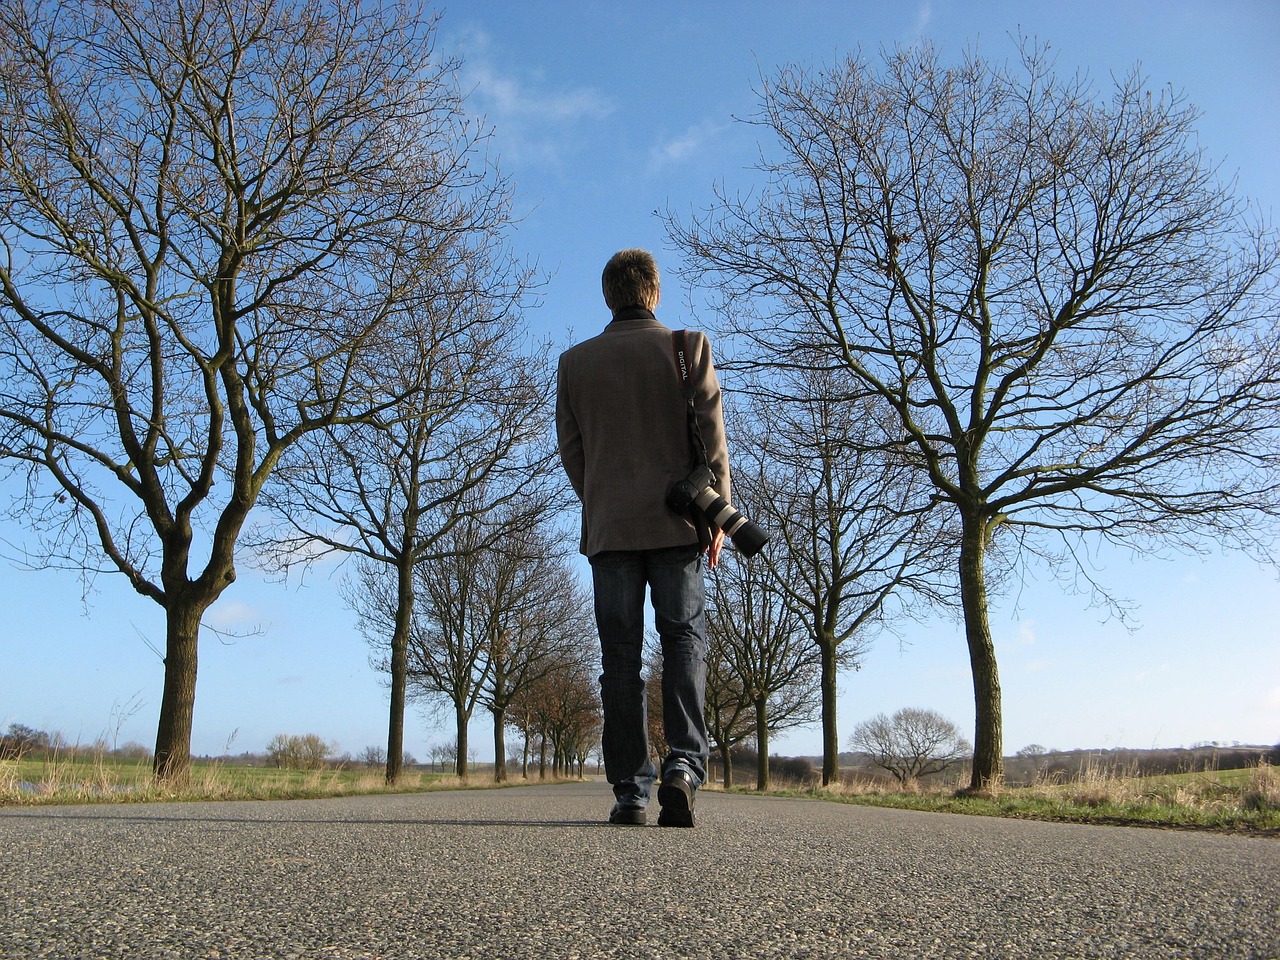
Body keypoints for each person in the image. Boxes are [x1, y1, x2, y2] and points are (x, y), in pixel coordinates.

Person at [556, 248, 731, 828]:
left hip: (610, 531)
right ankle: (683, 766)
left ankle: (630, 791)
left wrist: (603, 502)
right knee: (683, 643)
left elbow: (573, 453)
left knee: (620, 658)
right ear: (654, 292)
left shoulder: (575, 363)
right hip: (679, 523)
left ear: (609, 296)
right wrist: (719, 515)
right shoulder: (688, 348)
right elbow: (711, 439)